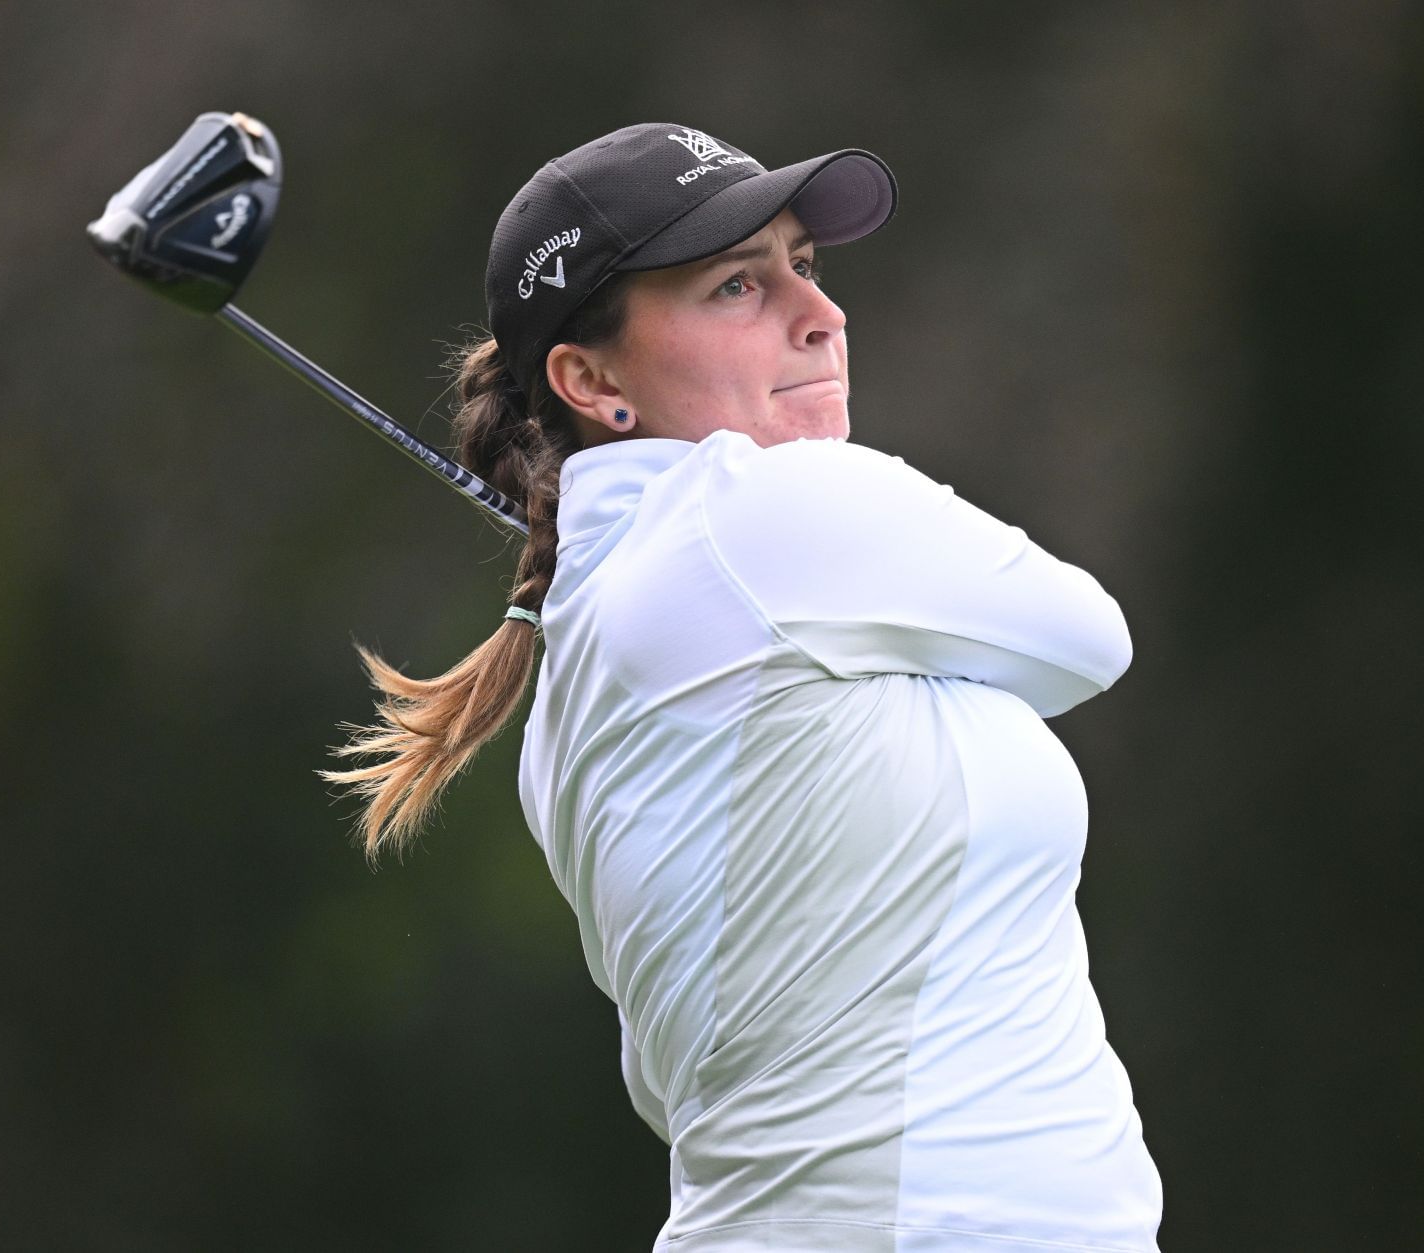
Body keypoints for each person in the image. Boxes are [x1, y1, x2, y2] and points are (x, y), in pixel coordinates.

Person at [323, 123, 1164, 1252]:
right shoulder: (761, 514)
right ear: (591, 380)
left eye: (803, 267)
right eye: (735, 284)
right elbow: (1088, 638)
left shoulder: (569, 681)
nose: (821, 315)